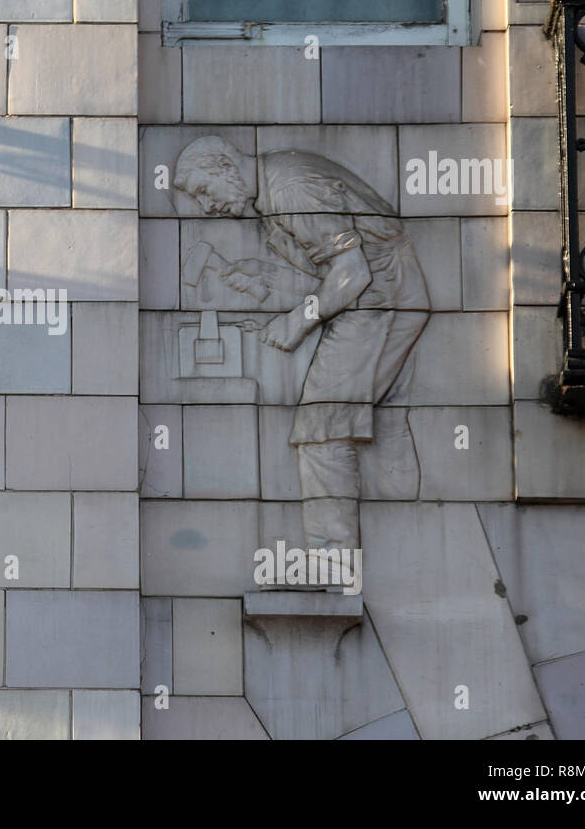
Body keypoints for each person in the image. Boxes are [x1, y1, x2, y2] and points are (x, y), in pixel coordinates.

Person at [174, 137, 429, 550]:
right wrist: (265, 274)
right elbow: (327, 268)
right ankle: (415, 540)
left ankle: (333, 557)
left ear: (224, 166)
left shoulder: (291, 187)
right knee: (381, 428)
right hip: (376, 300)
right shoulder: (273, 186)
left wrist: (297, 322)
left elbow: (353, 273)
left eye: (205, 190)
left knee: (322, 427)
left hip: (380, 302)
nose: (207, 205)